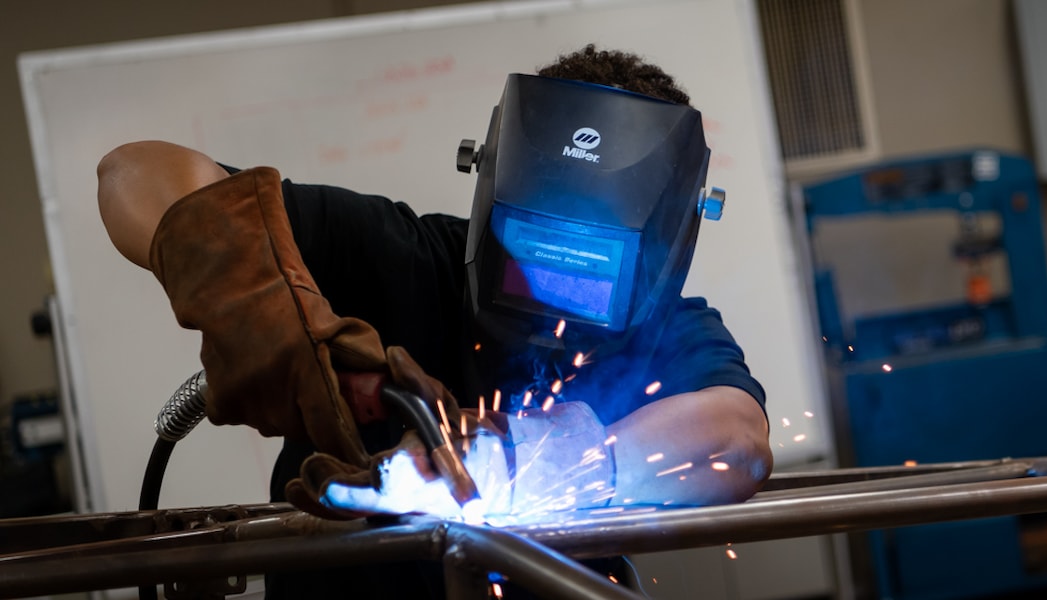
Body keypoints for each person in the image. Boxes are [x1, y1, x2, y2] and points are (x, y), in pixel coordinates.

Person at [96, 45, 773, 597]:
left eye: (598, 267)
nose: (560, 295)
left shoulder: (669, 326)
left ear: (669, 241)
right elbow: (134, 173)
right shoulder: (401, 259)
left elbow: (736, 439)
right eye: (533, 250)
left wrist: (521, 463)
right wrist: (261, 308)